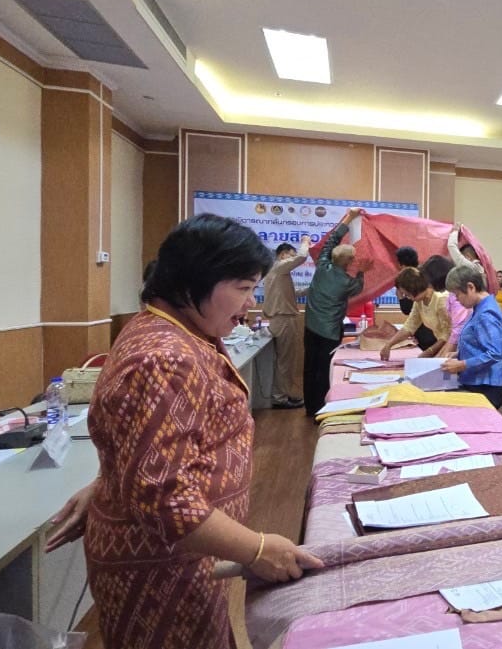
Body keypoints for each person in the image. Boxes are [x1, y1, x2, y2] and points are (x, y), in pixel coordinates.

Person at [44, 214, 323, 649]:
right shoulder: (166, 358)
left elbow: (150, 446)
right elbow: (166, 500)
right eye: (244, 288)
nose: (250, 303)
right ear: (198, 280)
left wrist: (111, 481)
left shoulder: (175, 331)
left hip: (181, 554)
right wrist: (259, 548)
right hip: (162, 567)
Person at [303, 208, 364, 415]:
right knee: (324, 371)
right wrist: (363, 271)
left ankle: (310, 407)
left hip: (310, 327)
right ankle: (323, 408)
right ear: (347, 262)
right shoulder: (347, 282)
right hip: (329, 332)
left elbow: (330, 242)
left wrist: (349, 218)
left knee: (310, 367)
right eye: (353, 260)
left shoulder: (322, 266)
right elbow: (359, 288)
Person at [442, 264, 502, 409]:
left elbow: (494, 353)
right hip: (476, 382)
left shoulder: (487, 313)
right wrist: (460, 354)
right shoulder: (480, 308)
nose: (457, 300)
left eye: (458, 295)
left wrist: (462, 364)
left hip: (485, 386)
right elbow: (479, 344)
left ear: (470, 287)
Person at [262, 238, 311, 409]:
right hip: (284, 318)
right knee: (285, 361)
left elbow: (291, 293)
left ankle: (283, 394)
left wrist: (311, 289)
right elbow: (302, 257)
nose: (292, 259)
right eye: (290, 255)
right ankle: (280, 398)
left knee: (285, 360)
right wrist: (305, 242)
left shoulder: (277, 272)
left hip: (281, 318)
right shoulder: (279, 266)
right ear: (282, 255)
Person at [380, 267, 455, 360]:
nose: (406, 298)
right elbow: (410, 326)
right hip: (443, 344)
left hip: (453, 346)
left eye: (406, 294)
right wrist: (389, 344)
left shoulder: (440, 300)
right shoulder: (418, 302)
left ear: (413, 289)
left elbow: (448, 334)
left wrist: (429, 351)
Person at [422, 255, 471, 356]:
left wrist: (442, 356)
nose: (428, 284)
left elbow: (458, 329)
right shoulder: (451, 294)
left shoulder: (456, 295)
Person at [395, 246, 437, 351]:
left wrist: (401, 297)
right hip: (428, 334)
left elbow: (408, 310)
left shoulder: (411, 279)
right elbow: (411, 322)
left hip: (429, 335)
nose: (412, 298)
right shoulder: (423, 273)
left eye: (408, 295)